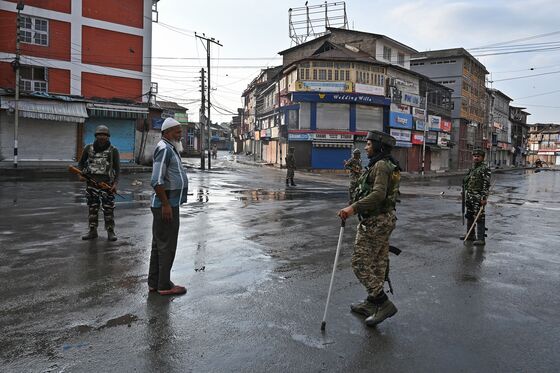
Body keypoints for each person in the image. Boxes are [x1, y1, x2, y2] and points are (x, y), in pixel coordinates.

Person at [338, 130, 401, 327]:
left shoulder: (381, 165)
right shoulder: (382, 164)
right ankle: (372, 302)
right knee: (378, 263)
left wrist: (353, 208)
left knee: (360, 263)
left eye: (368, 144)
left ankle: (383, 302)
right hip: (383, 219)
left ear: (378, 146)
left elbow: (379, 194)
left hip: (376, 221)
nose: (365, 148)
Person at [149, 118, 189, 296]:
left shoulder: (170, 148)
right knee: (167, 246)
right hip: (166, 206)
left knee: (159, 245)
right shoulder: (164, 149)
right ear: (166, 133)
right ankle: (164, 285)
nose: (180, 135)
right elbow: (157, 180)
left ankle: (155, 282)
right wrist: (166, 204)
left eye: (180, 131)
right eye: (176, 132)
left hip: (168, 204)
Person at [78, 125, 120, 241]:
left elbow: (117, 169)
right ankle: (92, 231)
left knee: (108, 209)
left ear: (108, 137)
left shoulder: (113, 150)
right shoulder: (88, 148)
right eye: (100, 134)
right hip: (91, 184)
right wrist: (80, 174)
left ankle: (110, 231)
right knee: (92, 208)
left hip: (107, 185)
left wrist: (115, 183)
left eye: (104, 135)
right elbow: (80, 163)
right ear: (96, 136)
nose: (102, 137)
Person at [461, 149, 491, 246]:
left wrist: (484, 197)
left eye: (478, 156)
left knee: (479, 216)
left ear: (482, 158)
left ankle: (481, 238)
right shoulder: (472, 169)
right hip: (470, 195)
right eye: (474, 156)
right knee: (469, 215)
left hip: (478, 196)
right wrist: (464, 191)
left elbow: (486, 184)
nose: (476, 158)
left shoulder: (484, 168)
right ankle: (470, 235)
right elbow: (467, 181)